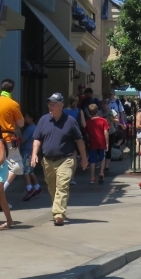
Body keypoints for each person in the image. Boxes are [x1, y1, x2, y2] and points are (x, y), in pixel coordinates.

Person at [30, 93, 87, 226]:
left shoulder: (70, 121)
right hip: (47, 161)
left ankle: (59, 214)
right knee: (52, 188)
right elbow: (37, 139)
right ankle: (58, 209)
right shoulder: (43, 120)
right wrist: (34, 154)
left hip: (65, 159)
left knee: (62, 186)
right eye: (49, 103)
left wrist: (84, 158)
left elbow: (79, 141)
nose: (50, 106)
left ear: (61, 106)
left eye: (53, 104)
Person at [0, 79, 25, 193]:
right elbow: (21, 123)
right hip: (7, 138)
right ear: (12, 89)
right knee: (17, 166)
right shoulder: (13, 104)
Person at [84, 103, 110, 184]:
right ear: (97, 111)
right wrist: (107, 143)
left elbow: (87, 134)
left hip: (92, 143)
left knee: (92, 161)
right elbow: (106, 132)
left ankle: (92, 177)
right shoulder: (103, 121)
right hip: (101, 142)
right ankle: (101, 173)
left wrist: (88, 142)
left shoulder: (88, 122)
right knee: (102, 158)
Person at [18, 111, 42, 201]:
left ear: (31, 118)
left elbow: (22, 140)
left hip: (27, 152)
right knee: (30, 171)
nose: (25, 118)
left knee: (25, 171)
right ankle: (37, 187)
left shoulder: (30, 128)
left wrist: (18, 131)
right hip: (31, 152)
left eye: (27, 116)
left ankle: (29, 188)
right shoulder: (35, 128)